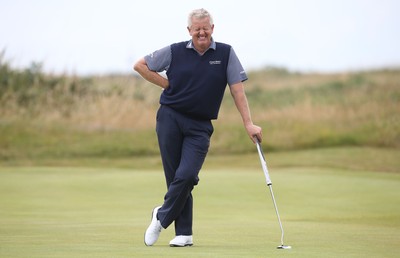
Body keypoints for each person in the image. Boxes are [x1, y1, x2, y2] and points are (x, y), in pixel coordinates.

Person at [133, 8, 262, 247]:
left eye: (205, 28)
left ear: (213, 28)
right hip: (170, 118)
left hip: (200, 125)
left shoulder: (225, 53)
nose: (201, 33)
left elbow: (237, 90)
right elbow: (140, 65)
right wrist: (166, 84)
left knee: (188, 175)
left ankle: (161, 217)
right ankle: (183, 233)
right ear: (189, 31)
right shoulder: (175, 51)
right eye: (197, 29)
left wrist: (248, 123)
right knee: (174, 177)